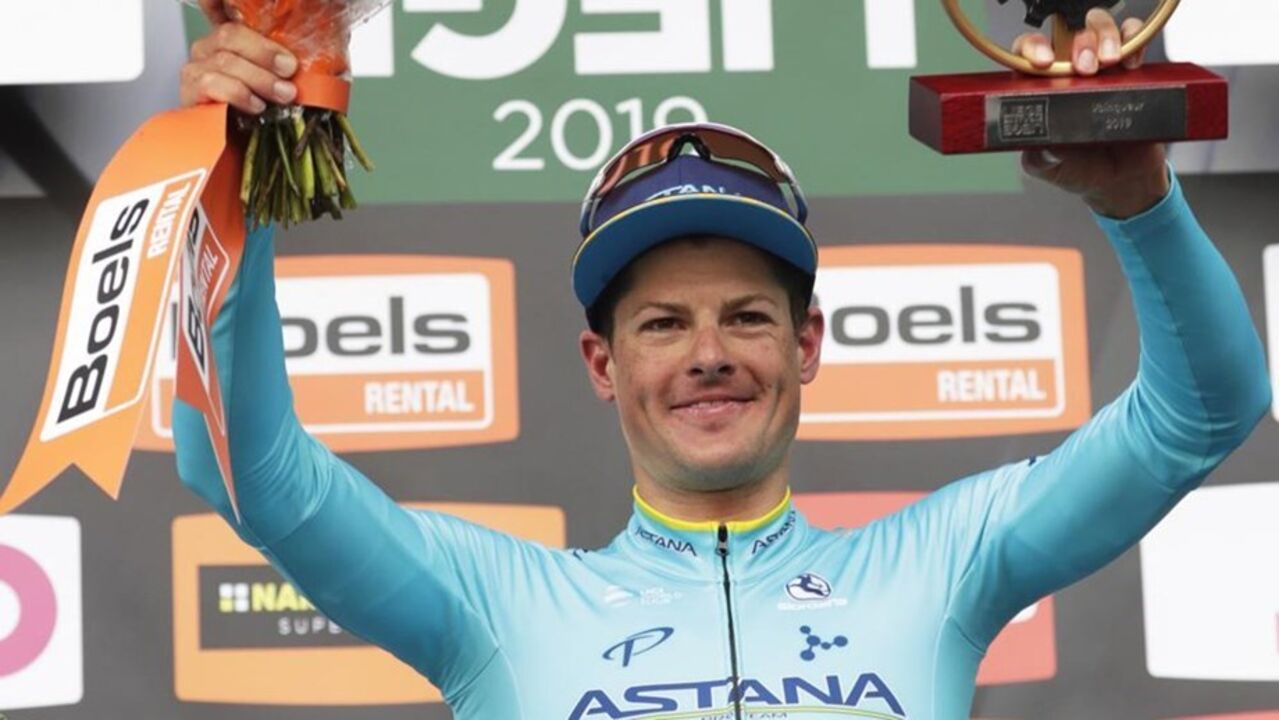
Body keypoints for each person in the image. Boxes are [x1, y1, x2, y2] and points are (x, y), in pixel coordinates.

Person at [175, 5, 1271, 719]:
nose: (708, 356)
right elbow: (242, 467)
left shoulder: (938, 565)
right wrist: (230, 169)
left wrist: (1138, 200)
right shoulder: (491, 604)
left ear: (805, 345)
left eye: (746, 317)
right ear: (601, 363)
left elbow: (1206, 411)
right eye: (662, 325)